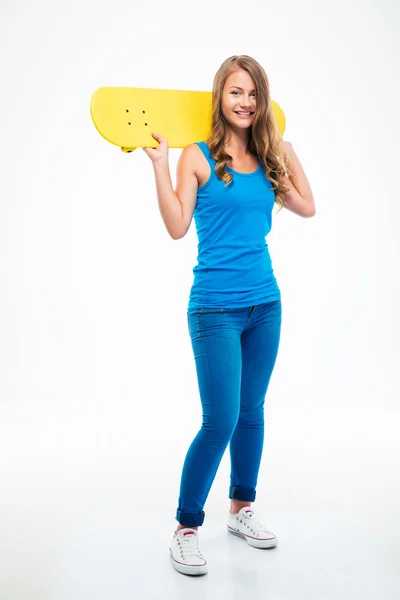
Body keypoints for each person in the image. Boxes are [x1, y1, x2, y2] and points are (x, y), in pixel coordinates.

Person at [143, 55, 315, 577]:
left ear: (261, 102)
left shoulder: (269, 157)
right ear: (220, 96)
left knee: (252, 411)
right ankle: (187, 528)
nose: (245, 102)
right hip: (215, 307)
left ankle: (241, 511)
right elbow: (177, 228)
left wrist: (287, 151)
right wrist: (158, 165)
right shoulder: (196, 157)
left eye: (253, 94)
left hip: (266, 305)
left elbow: (306, 206)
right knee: (219, 418)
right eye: (235, 92)